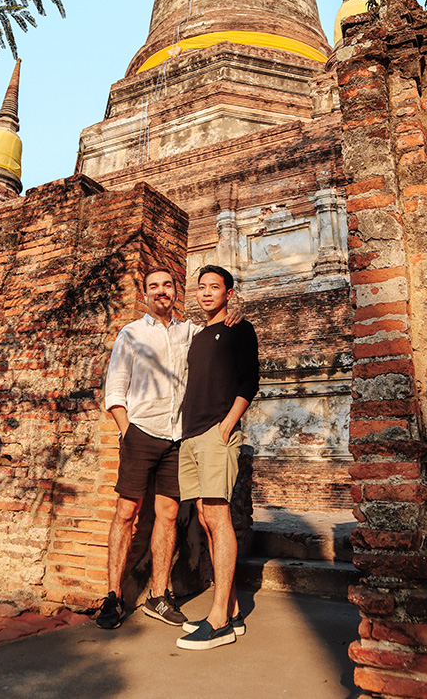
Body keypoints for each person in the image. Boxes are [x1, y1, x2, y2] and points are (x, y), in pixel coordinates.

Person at [96, 265, 239, 629]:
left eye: (167, 285)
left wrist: (235, 314)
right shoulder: (131, 334)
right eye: (154, 286)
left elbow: (221, 332)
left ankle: (158, 596)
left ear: (176, 292)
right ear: (145, 294)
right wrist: (127, 431)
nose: (161, 291)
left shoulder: (191, 332)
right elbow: (115, 389)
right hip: (141, 432)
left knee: (169, 514)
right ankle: (112, 596)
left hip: (178, 438)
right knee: (126, 512)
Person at [176, 265, 259, 651]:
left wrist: (227, 426)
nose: (207, 292)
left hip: (216, 433)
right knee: (207, 520)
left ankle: (218, 620)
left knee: (218, 516)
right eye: (202, 287)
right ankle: (233, 611)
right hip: (191, 435)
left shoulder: (240, 329)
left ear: (229, 293)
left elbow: (250, 380)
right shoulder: (197, 336)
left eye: (215, 287)